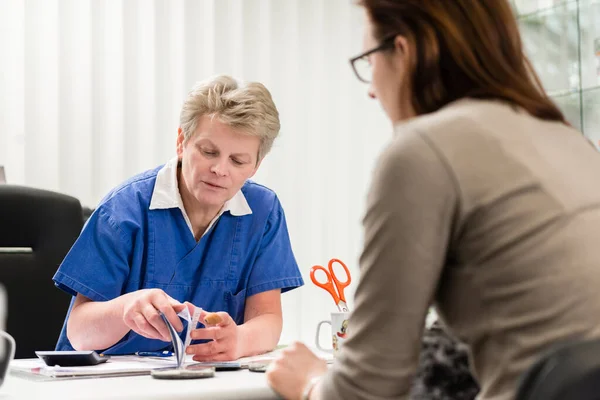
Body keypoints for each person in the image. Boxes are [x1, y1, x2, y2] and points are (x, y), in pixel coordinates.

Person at [266, 0, 600, 399]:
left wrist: (307, 383)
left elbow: (367, 389)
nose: (371, 90)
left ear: (403, 53)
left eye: (369, 61)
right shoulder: (567, 139)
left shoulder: (423, 150)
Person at [53, 75, 304, 361]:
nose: (220, 169)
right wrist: (125, 309)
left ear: (256, 165)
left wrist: (239, 341)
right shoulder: (123, 210)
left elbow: (268, 319)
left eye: (238, 161)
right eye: (209, 152)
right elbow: (80, 333)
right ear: (181, 142)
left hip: (206, 382)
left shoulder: (263, 211)